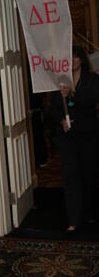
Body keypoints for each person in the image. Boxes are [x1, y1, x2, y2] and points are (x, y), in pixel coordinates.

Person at [50, 45, 99, 233]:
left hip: (89, 134)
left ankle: (88, 211)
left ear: (81, 59)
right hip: (67, 137)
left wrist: (72, 95)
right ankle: (73, 218)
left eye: (75, 56)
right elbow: (53, 108)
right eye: (68, 57)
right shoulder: (58, 82)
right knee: (71, 175)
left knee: (88, 174)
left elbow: (92, 100)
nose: (72, 60)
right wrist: (61, 119)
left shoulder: (93, 79)